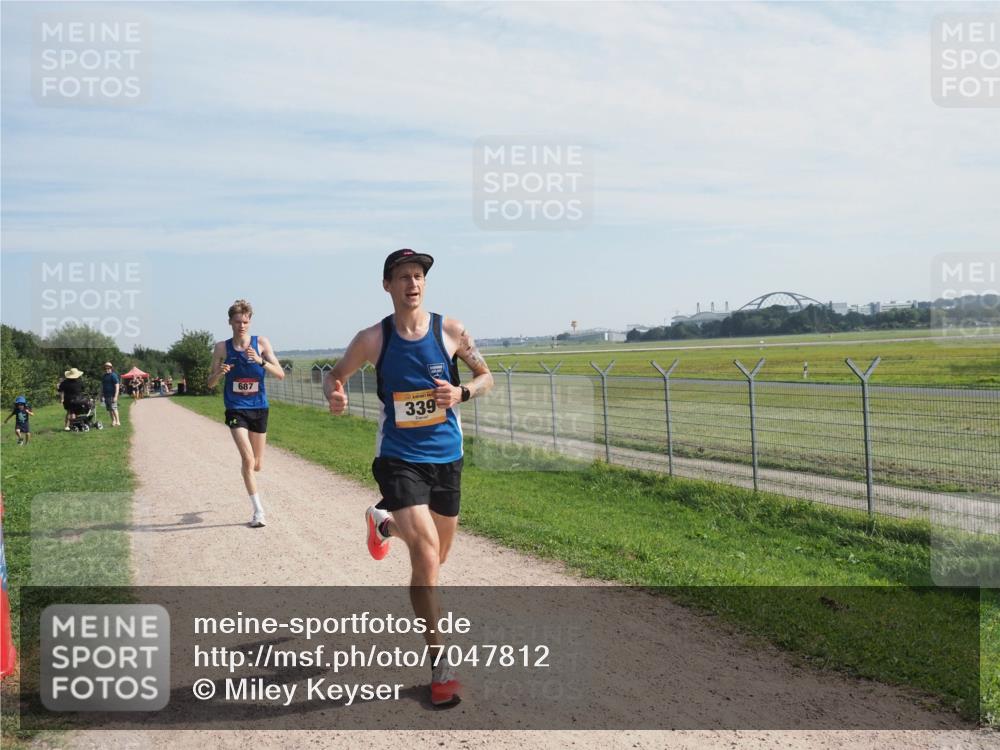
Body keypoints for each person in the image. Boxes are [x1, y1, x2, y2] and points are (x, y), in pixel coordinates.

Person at [324, 249, 493, 707]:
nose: (412, 283)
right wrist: (335, 394)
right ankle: (441, 666)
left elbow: (486, 375)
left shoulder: (452, 331)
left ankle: (384, 524)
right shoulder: (372, 339)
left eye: (418, 276)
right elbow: (334, 376)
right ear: (387, 285)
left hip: (447, 457)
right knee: (426, 554)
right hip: (398, 458)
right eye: (403, 277)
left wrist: (462, 391)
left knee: (439, 557)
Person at [206, 299, 285, 528]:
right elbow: (210, 384)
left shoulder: (260, 343)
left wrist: (260, 361)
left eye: (246, 321)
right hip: (236, 408)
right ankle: (258, 512)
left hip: (259, 407)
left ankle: (251, 475)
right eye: (238, 321)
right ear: (230, 322)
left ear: (250, 322)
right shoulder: (222, 348)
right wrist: (220, 373)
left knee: (257, 464)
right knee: (248, 459)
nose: (242, 325)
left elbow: (280, 373)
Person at [101, 362, 122, 427]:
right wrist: (101, 395)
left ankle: (118, 421)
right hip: (106, 395)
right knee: (109, 409)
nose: (107, 369)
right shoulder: (104, 376)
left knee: (114, 408)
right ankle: (113, 421)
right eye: (105, 368)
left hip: (112, 395)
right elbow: (102, 386)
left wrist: (115, 396)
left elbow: (117, 386)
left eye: (108, 367)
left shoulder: (113, 375)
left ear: (111, 368)